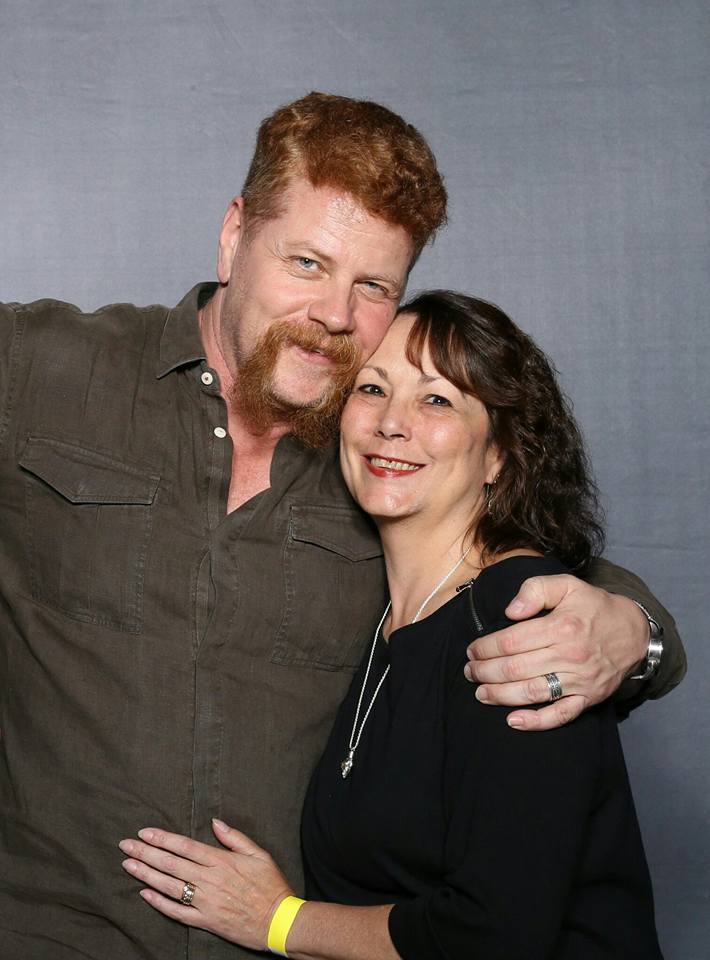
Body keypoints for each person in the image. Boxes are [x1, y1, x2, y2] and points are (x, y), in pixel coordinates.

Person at [0, 93, 680, 959]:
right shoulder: (40, 369)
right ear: (234, 234)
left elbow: (529, 569)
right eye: (307, 263)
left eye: (374, 287)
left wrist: (635, 633)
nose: (334, 313)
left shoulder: (380, 458)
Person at [119, 291, 663, 958]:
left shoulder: (522, 622)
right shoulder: (386, 618)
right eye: (372, 389)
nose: (391, 424)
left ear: (499, 453)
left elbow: (493, 936)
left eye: (437, 400)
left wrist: (278, 921)